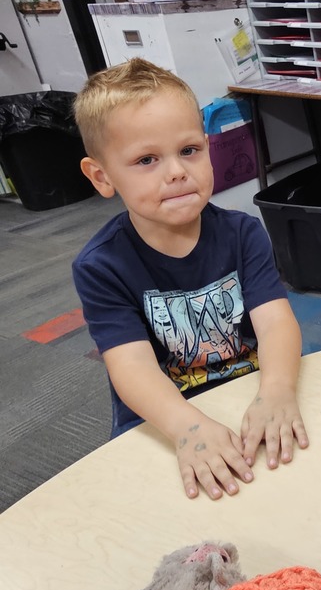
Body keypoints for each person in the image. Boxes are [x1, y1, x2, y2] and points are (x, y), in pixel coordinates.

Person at [72, 58, 308, 501]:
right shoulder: (101, 266)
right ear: (102, 177)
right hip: (165, 418)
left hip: (248, 394)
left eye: (189, 150)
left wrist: (276, 390)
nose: (177, 171)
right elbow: (131, 367)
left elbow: (276, 322)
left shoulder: (243, 232)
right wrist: (186, 426)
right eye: (146, 159)